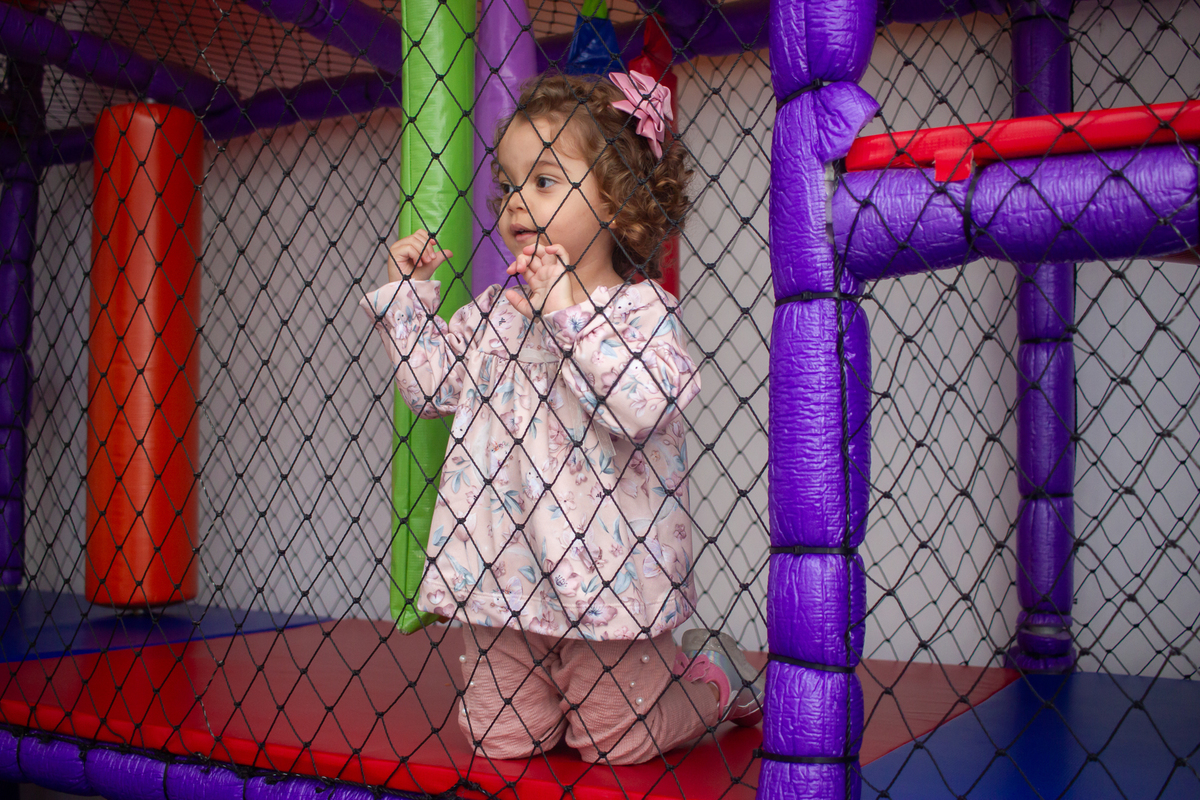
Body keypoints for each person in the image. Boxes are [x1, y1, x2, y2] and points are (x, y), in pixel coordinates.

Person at [361, 71, 764, 765]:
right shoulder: (495, 312)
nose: (518, 202)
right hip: (503, 579)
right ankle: (553, 693)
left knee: (618, 744)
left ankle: (716, 678)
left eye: (544, 181)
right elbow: (432, 389)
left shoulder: (643, 314)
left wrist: (565, 315)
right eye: (512, 184)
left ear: (616, 201)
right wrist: (409, 296)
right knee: (501, 739)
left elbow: (637, 408)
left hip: (608, 592)